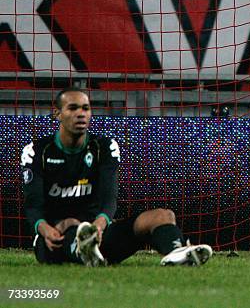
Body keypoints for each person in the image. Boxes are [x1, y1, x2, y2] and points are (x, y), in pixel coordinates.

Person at [20, 86, 212, 266]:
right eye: (73, 108)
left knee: (163, 215)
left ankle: (177, 253)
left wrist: (98, 227)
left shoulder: (104, 147)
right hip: (54, 239)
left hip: (99, 233)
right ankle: (83, 250)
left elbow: (109, 198)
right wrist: (45, 230)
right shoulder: (37, 151)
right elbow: (33, 205)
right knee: (71, 224)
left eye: (86, 108)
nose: (81, 113)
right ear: (57, 114)